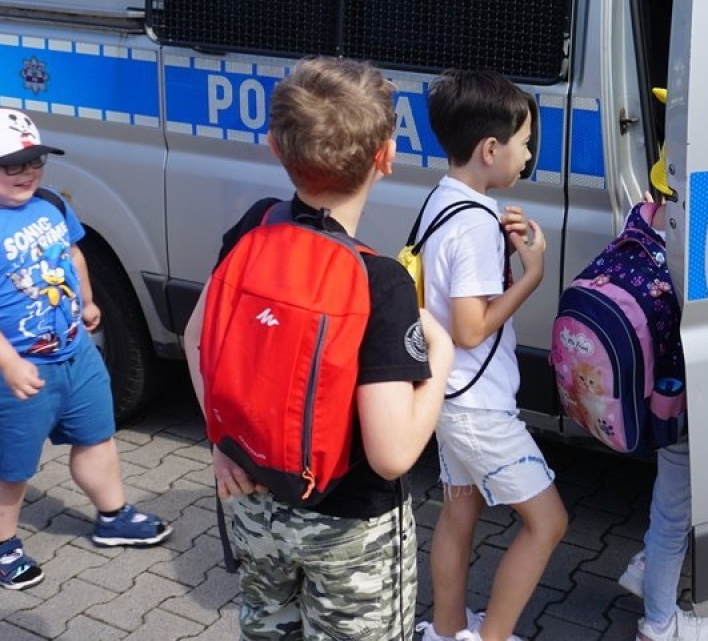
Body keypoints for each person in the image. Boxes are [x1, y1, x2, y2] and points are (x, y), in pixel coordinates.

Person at [185, 57, 454, 640]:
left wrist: (224, 445)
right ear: (386, 156)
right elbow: (391, 454)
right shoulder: (380, 282)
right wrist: (442, 359)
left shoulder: (255, 227)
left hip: (253, 504)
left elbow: (195, 337)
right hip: (350, 531)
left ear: (275, 148)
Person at [0, 107, 172, 591]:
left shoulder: (51, 203)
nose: (27, 173)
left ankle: (113, 516)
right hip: (10, 374)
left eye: (34, 160)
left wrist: (88, 302)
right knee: (7, 469)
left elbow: (73, 253)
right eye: (11, 165)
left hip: (76, 355)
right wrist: (7, 362)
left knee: (97, 438)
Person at [418, 70, 566, 641]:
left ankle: (447, 629)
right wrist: (532, 274)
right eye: (524, 144)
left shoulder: (442, 201)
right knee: (548, 522)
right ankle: (491, 636)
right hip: (478, 407)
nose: (527, 157)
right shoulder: (477, 224)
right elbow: (471, 328)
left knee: (460, 511)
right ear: (490, 149)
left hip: (448, 394)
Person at [616, 189, 708, 641]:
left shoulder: (641, 217)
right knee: (673, 516)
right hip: (689, 399)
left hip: (654, 392)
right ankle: (658, 624)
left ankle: (647, 566)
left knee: (669, 505)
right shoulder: (705, 230)